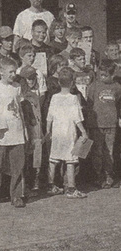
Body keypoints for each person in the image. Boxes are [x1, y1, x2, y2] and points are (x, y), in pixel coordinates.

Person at [0, 57, 26, 208]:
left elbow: (19, 109)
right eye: (10, 72)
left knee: (17, 166)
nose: (13, 74)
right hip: (1, 134)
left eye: (14, 71)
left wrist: (25, 130)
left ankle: (16, 195)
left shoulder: (17, 87)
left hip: (17, 131)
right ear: (1, 72)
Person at [46, 67, 88, 198]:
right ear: (72, 83)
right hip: (69, 134)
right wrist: (84, 132)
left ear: (59, 82)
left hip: (57, 133)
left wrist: (48, 130)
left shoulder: (54, 97)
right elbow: (77, 118)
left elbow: (49, 116)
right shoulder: (73, 98)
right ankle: (71, 188)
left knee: (53, 160)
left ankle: (51, 185)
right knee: (70, 161)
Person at [87, 60, 121, 188]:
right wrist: (90, 123)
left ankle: (108, 175)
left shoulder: (117, 87)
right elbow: (89, 103)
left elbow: (117, 102)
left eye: (105, 75)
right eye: (100, 74)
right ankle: (97, 175)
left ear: (112, 75)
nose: (101, 77)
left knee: (109, 151)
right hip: (97, 125)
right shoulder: (94, 86)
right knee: (97, 151)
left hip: (111, 124)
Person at [19, 66, 43, 191]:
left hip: (36, 132)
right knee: (25, 158)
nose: (31, 81)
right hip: (24, 131)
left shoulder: (34, 95)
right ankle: (25, 185)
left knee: (36, 158)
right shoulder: (18, 95)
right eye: (29, 78)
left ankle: (34, 183)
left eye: (33, 78)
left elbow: (38, 116)